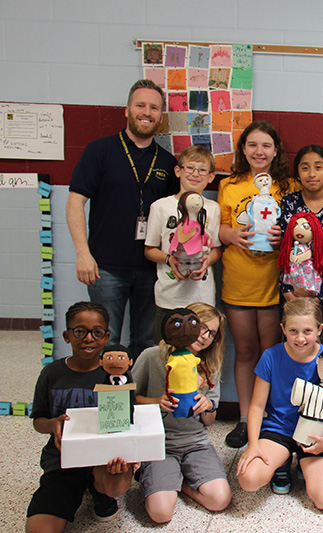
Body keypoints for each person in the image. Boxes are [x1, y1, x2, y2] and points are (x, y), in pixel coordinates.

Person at [66, 79, 178, 359]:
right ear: (127, 109)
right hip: (105, 267)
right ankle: (108, 402)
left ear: (160, 117)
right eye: (140, 105)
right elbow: (75, 202)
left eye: (154, 107)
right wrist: (82, 253)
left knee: (145, 343)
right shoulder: (99, 151)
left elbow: (176, 220)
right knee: (106, 341)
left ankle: (137, 400)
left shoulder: (167, 162)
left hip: (150, 268)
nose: (147, 112)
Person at [217, 121, 298, 448]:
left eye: (266, 145)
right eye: (252, 145)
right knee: (246, 350)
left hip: (272, 280)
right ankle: (244, 418)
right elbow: (220, 228)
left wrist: (287, 235)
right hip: (237, 277)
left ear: (276, 150)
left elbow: (302, 227)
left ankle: (269, 417)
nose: (259, 152)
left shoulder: (289, 185)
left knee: (270, 352)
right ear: (243, 150)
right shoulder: (229, 185)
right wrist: (231, 234)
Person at [26, 302, 134, 532]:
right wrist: (53, 424)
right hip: (63, 459)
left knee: (118, 482)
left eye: (96, 332)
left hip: (104, 458)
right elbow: (38, 420)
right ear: (67, 335)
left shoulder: (117, 375)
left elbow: (131, 415)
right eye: (79, 331)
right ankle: (72, 490)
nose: (88, 338)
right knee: (38, 529)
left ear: (106, 338)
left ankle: (100, 492)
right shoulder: (52, 373)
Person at [236, 298, 323, 511]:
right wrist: (254, 444)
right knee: (249, 480)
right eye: (293, 331)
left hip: (314, 433)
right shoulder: (271, 356)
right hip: (279, 429)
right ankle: (282, 461)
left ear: (319, 330)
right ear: (283, 329)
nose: (300, 338)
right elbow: (256, 406)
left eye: (307, 331)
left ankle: (303, 460)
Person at [132, 302, 231, 522]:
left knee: (219, 500)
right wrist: (156, 402)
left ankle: (182, 483)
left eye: (212, 333)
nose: (204, 336)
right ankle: (160, 479)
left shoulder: (209, 365)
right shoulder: (151, 356)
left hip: (195, 443)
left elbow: (209, 421)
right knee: (160, 514)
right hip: (160, 444)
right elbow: (129, 400)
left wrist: (207, 405)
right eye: (201, 326)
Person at [144, 145, 221, 344]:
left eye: (202, 170)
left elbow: (216, 250)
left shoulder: (213, 208)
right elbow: (150, 250)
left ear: (211, 176)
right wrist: (169, 259)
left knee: (201, 353)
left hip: (201, 297)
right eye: (190, 168)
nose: (195, 174)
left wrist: (207, 261)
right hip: (169, 297)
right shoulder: (160, 207)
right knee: (164, 352)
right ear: (178, 171)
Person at [280, 145, 323, 347]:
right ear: (298, 174)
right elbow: (285, 250)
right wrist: (287, 292)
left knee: (321, 347)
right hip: (291, 290)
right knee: (293, 345)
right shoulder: (289, 202)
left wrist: (318, 295)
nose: (312, 174)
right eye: (305, 168)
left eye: (318, 167)